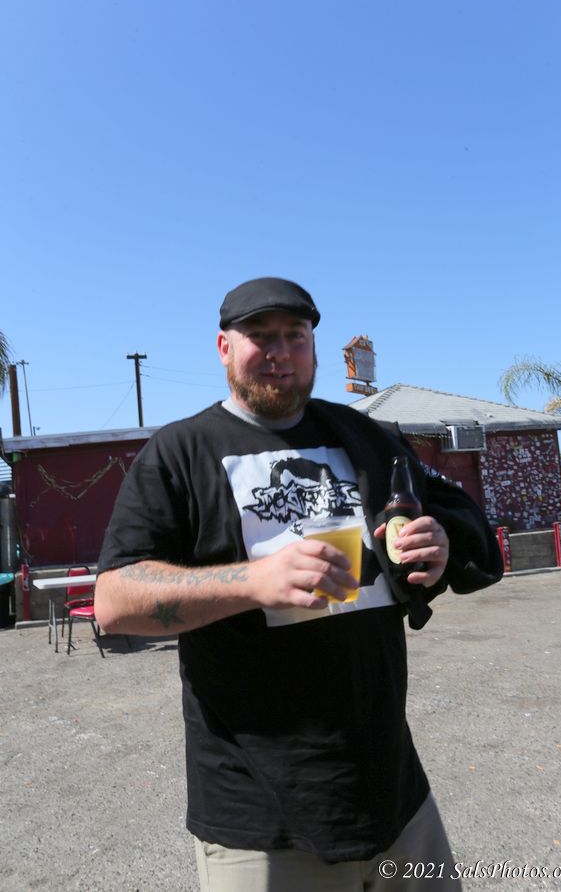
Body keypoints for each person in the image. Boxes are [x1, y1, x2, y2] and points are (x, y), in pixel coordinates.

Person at [95, 277, 503, 891]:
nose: (280, 352)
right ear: (224, 348)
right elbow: (114, 601)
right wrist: (253, 581)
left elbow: (459, 523)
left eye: (296, 336)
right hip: (261, 817)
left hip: (394, 793)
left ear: (314, 347)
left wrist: (439, 545)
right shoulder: (179, 452)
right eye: (260, 337)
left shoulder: (364, 435)